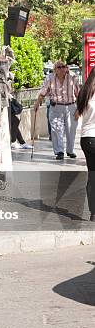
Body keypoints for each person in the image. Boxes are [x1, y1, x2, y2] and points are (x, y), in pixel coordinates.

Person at [34, 60, 80, 160]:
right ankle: (59, 151)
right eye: (59, 67)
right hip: (56, 107)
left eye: (64, 66)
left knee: (71, 130)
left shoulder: (73, 77)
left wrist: (79, 109)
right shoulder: (50, 78)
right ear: (55, 70)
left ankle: (70, 150)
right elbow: (43, 91)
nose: (62, 69)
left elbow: (79, 94)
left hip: (71, 106)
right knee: (56, 129)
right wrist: (38, 102)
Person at [75, 68, 95, 221]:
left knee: (92, 175)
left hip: (85, 138)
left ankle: (93, 213)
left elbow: (77, 115)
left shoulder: (84, 93)